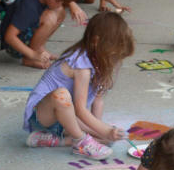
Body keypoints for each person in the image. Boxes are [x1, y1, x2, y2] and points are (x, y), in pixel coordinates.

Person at [23, 11, 134, 160]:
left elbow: (98, 100)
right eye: (113, 55)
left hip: (67, 119)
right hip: (42, 117)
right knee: (61, 95)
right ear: (96, 41)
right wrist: (106, 130)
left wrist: (101, 132)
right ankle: (80, 142)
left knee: (106, 140)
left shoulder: (98, 62)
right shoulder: (81, 66)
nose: (114, 60)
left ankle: (55, 140)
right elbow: (81, 110)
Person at [0, 0, 87, 70]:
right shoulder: (29, 7)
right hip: (14, 46)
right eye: (57, 0)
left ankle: (39, 48)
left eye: (63, 0)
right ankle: (28, 58)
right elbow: (9, 37)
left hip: (24, 35)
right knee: (50, 18)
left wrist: (72, 4)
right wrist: (33, 55)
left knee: (60, 11)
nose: (60, 3)